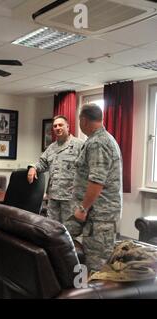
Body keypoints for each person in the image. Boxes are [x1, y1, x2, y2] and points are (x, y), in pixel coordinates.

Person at [64, 103, 123, 272]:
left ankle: (93, 293)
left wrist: (83, 208)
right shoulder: (97, 139)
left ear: (83, 120)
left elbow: (97, 181)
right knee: (77, 254)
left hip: (99, 215)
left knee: (96, 263)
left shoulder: (98, 142)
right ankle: (80, 289)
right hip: (93, 211)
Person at [27, 115, 84, 223]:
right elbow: (42, 163)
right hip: (53, 197)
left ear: (68, 127)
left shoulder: (79, 145)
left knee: (69, 230)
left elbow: (88, 169)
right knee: (51, 228)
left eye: (60, 125)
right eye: (55, 126)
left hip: (71, 198)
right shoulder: (51, 148)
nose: (58, 128)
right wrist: (33, 168)